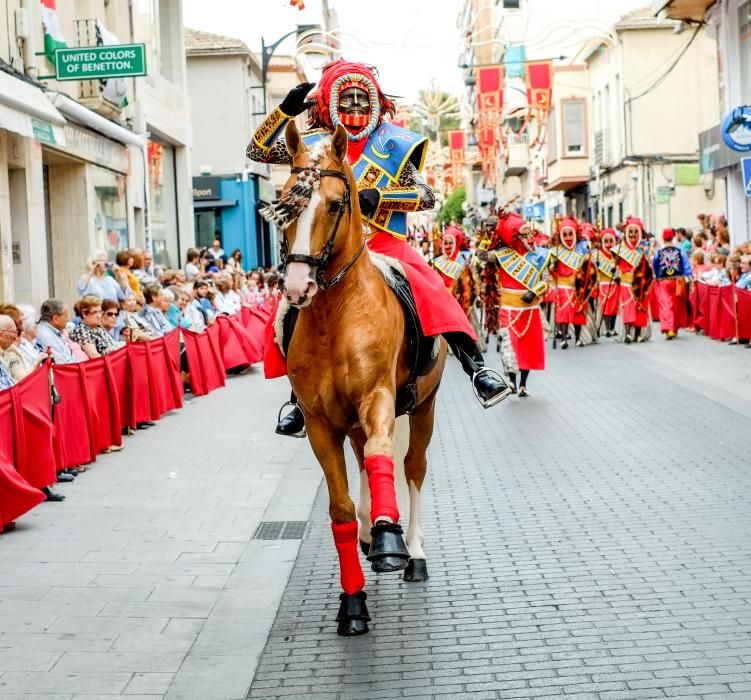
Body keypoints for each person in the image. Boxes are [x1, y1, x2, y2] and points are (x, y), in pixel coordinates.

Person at [248, 59, 510, 435]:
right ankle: (297, 397)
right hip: (328, 249)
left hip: (383, 242)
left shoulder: (394, 143)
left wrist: (380, 196)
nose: (356, 107)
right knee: (288, 307)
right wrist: (285, 110)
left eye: (362, 99)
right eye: (348, 99)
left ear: (374, 102)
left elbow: (426, 196)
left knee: (430, 288)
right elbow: (258, 151)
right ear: (332, 103)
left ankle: (477, 368)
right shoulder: (312, 145)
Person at [490, 210, 548, 397]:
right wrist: (489, 231)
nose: (529, 238)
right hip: (509, 308)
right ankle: (512, 382)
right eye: (524, 234)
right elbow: (482, 257)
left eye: (529, 233)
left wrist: (534, 292)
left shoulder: (539, 255)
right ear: (514, 237)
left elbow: (546, 280)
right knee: (510, 346)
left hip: (529, 309)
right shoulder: (501, 255)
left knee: (527, 349)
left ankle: (523, 383)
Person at [612, 217, 654, 343]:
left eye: (636, 232)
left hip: (640, 283)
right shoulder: (619, 248)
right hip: (625, 282)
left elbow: (649, 267)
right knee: (627, 308)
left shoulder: (645, 249)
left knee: (639, 308)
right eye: (631, 231)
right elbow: (615, 266)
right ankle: (628, 333)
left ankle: (637, 333)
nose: (633, 235)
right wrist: (615, 271)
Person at [550, 216, 589, 348]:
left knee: (578, 312)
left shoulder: (582, 249)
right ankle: (564, 338)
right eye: (564, 234)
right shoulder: (556, 252)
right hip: (562, 286)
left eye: (570, 234)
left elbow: (589, 268)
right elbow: (550, 271)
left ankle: (578, 338)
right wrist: (553, 265)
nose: (568, 237)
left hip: (578, 288)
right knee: (563, 313)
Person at [653, 228, 692, 340]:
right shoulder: (680, 250)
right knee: (676, 305)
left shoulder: (659, 252)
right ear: (673, 236)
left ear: (663, 237)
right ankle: (674, 328)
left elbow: (655, 265)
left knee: (666, 304)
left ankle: (669, 328)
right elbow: (686, 265)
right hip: (677, 281)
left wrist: (657, 276)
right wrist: (688, 276)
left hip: (664, 281)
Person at [595, 228, 620, 337]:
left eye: (611, 241)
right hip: (603, 284)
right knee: (604, 306)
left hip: (614, 284)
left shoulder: (617, 255)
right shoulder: (597, 255)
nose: (609, 244)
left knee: (614, 307)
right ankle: (606, 328)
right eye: (606, 241)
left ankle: (612, 328)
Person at [36, 299, 77, 364]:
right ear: (55, 318)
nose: (68, 319)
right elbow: (62, 364)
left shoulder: (53, 331)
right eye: (66, 316)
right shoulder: (46, 336)